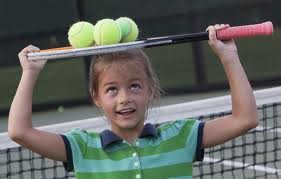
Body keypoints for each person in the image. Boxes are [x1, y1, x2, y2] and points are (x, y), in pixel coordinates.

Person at [8, 24, 258, 178]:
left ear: (150, 89)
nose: (125, 99)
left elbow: (245, 119)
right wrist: (30, 73)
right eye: (112, 90)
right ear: (96, 96)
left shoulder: (182, 137)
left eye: (135, 86)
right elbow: (20, 131)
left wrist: (229, 57)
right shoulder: (82, 148)